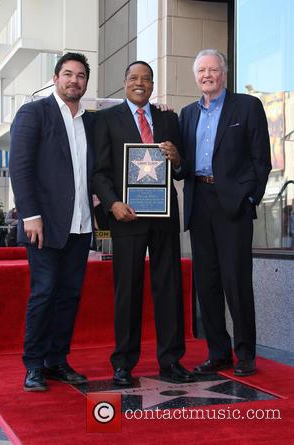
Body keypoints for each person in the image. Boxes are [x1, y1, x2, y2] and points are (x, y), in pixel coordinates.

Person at [93, 60, 193, 385]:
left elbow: (182, 168)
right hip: (127, 217)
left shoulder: (168, 118)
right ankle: (123, 364)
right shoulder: (106, 120)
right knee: (128, 292)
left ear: (152, 85)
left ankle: (171, 361)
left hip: (163, 218)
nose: (140, 83)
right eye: (134, 78)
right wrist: (112, 203)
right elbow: (99, 172)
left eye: (146, 79)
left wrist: (177, 159)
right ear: (124, 83)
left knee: (169, 289)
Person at [179, 49, 272, 377]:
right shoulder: (187, 114)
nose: (207, 75)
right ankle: (218, 352)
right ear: (196, 76)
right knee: (207, 283)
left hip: (232, 204)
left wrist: (249, 197)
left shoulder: (247, 107)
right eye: (201, 70)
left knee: (236, 282)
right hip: (199, 201)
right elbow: (182, 165)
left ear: (224, 74)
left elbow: (261, 159)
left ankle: (245, 354)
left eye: (213, 70)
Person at [9, 52, 95, 391]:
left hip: (81, 224)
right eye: (68, 74)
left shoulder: (90, 121)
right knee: (44, 292)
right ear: (56, 77)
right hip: (43, 225)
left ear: (86, 82)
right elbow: (20, 167)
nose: (74, 80)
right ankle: (33, 364)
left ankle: (57, 360)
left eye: (81, 76)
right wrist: (30, 215)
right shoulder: (34, 112)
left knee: (70, 295)